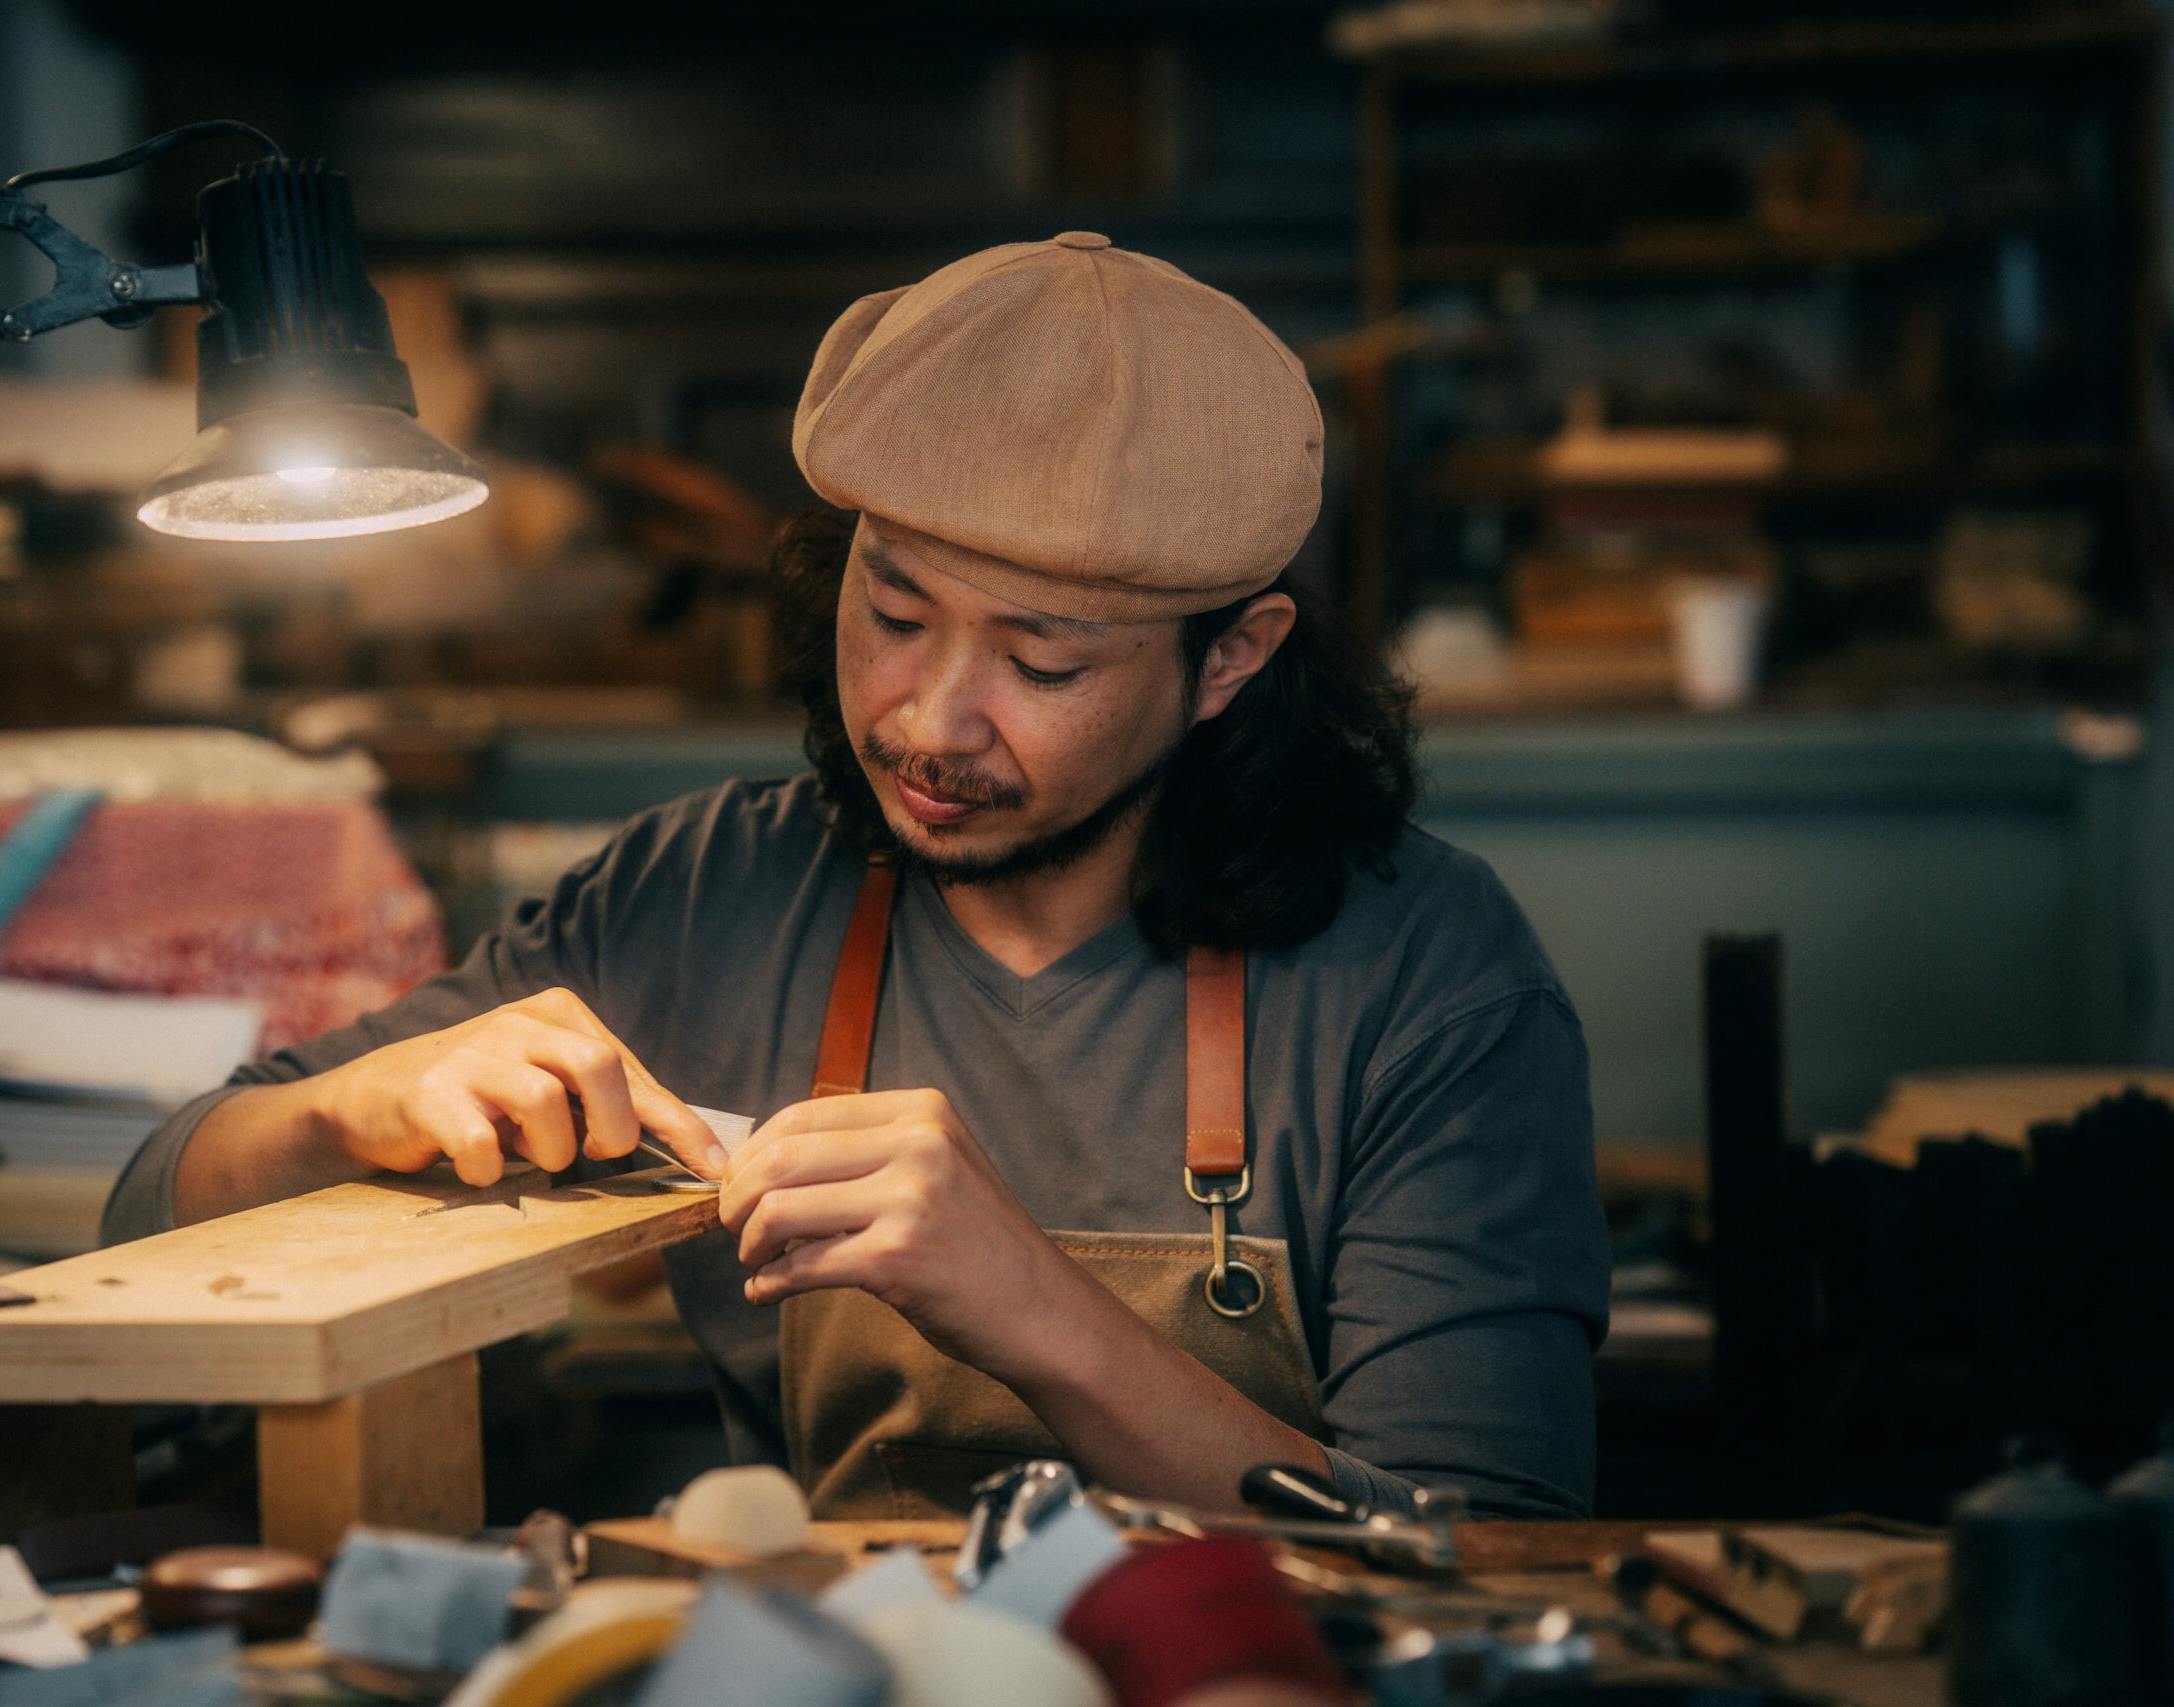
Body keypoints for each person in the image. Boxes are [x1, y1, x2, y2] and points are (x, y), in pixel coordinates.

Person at [104, 233, 1609, 1520]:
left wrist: (1031, 1311)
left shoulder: (1426, 970)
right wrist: (347, 1107)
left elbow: (1472, 1549)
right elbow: (145, 1211)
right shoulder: (700, 895)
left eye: (1041, 659)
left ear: (1233, 659)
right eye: (893, 609)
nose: (926, 719)